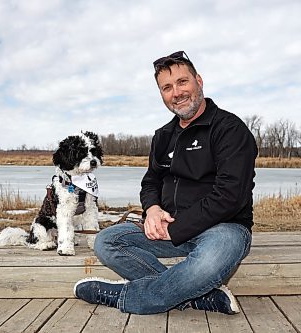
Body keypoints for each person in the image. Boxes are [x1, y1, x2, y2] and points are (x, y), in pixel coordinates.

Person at [73, 51, 257, 315]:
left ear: (199, 81)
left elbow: (231, 195)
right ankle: (196, 296)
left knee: (208, 263)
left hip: (224, 230)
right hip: (169, 228)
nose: (177, 93)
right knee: (106, 242)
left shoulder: (229, 129)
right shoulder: (164, 136)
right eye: (167, 88)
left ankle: (123, 297)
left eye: (183, 82)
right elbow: (150, 182)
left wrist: (179, 227)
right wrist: (153, 209)